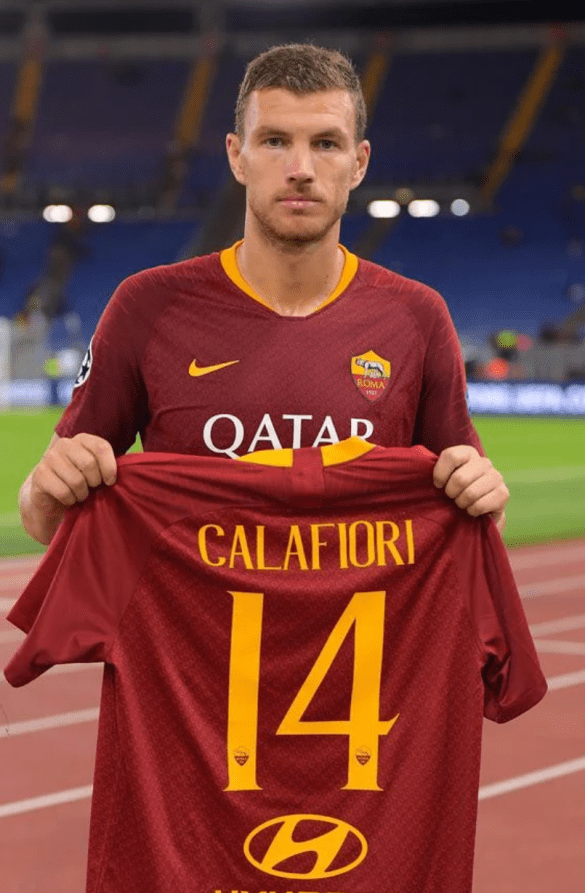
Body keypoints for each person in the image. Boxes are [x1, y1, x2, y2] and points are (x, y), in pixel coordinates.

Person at [18, 42, 509, 545]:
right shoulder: (147, 306)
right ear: (237, 157)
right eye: (275, 141)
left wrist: (485, 499)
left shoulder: (417, 317)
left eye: (325, 143)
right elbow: (47, 517)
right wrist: (43, 493)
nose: (300, 168)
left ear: (358, 163)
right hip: (189, 625)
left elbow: (471, 510)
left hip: (355, 626)